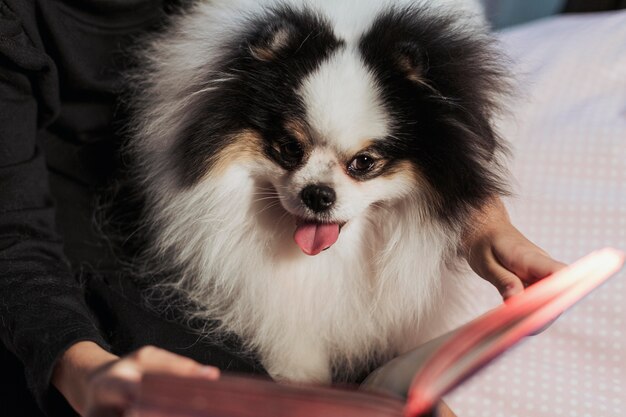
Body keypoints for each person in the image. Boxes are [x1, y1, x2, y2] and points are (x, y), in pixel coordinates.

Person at [0, 1, 565, 416]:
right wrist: (83, 369)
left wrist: (486, 227)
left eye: (362, 163)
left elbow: (436, 130)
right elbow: (13, 240)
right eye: (292, 149)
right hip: (66, 245)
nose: (320, 186)